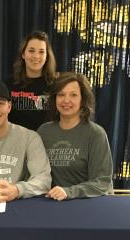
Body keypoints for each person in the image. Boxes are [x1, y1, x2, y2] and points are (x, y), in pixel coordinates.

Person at [37, 72, 113, 201]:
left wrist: (69, 192)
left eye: (73, 95)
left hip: (86, 203)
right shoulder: (44, 132)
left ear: (83, 99)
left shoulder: (96, 134)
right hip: (52, 203)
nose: (66, 100)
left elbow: (103, 182)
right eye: (61, 94)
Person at [6, 31, 58, 131]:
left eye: (41, 52)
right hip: (18, 143)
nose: (36, 56)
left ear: (47, 56)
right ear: (23, 54)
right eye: (31, 50)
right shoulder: (9, 85)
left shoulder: (56, 85)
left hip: (47, 144)